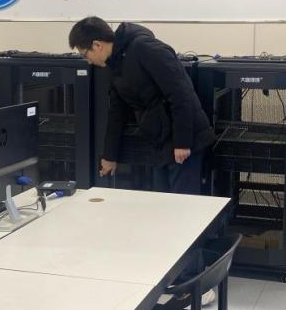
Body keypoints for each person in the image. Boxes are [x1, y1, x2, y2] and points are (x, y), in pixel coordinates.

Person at [69, 16, 216, 194]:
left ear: (97, 45)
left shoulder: (145, 48)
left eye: (85, 54)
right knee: (161, 202)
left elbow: (181, 94)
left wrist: (182, 143)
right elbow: (117, 112)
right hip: (159, 141)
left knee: (183, 204)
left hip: (185, 141)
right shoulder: (115, 63)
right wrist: (109, 156)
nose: (88, 61)